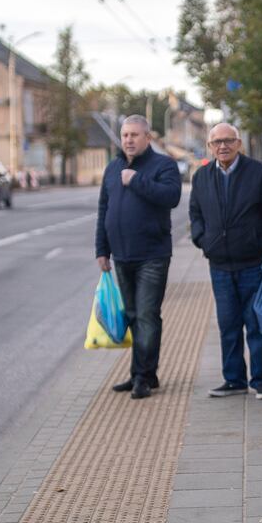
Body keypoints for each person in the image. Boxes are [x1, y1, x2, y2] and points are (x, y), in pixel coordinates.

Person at [189, 122, 262, 400]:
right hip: (219, 264)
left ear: (239, 143)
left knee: (256, 324)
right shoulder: (202, 176)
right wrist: (202, 239)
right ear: (210, 147)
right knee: (228, 324)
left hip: (254, 262)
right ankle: (233, 380)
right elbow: (195, 213)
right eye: (216, 142)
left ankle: (260, 380)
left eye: (228, 140)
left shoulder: (258, 173)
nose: (223, 146)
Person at [96, 114, 182, 400]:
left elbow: (171, 197)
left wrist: (136, 181)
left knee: (147, 315)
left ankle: (144, 376)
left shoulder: (164, 165)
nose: (129, 140)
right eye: (125, 135)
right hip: (121, 254)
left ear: (147, 138)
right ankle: (141, 373)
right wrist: (101, 250)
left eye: (135, 135)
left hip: (152, 255)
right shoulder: (112, 168)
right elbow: (104, 211)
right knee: (133, 315)